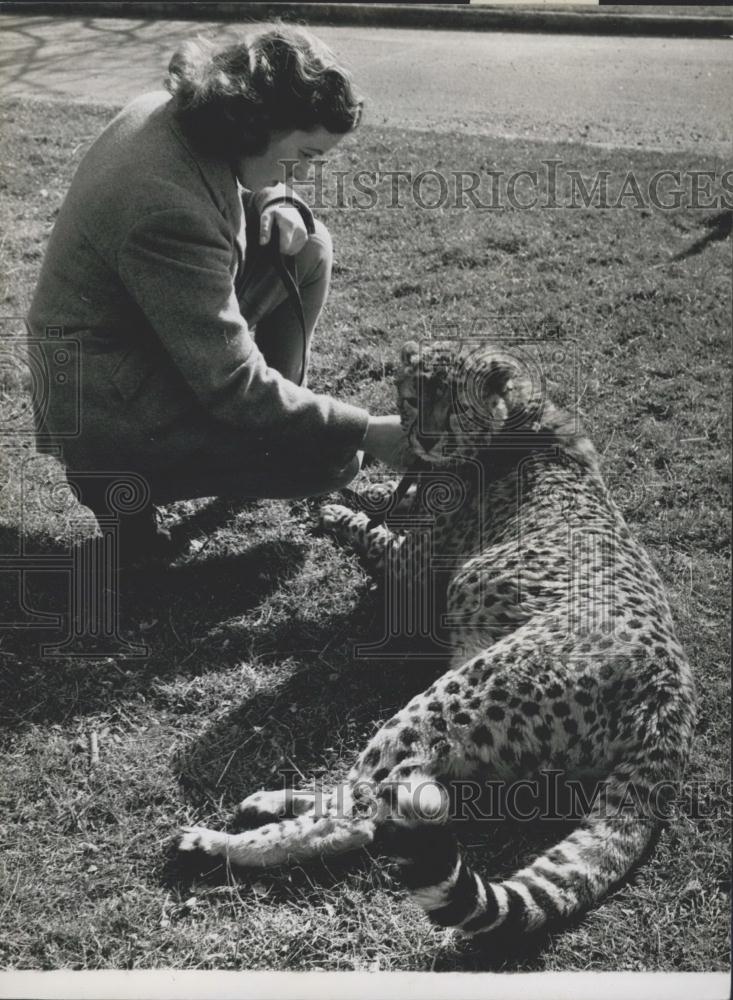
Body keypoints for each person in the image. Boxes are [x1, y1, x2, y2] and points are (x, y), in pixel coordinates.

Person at [26, 25, 407, 563]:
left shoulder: (179, 112)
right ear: (258, 122)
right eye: (302, 154)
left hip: (125, 352)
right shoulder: (166, 209)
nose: (302, 173)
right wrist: (369, 431)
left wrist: (277, 197)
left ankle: (281, 413)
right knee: (335, 458)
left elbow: (243, 175)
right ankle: (122, 496)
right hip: (104, 410)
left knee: (307, 246)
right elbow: (233, 385)